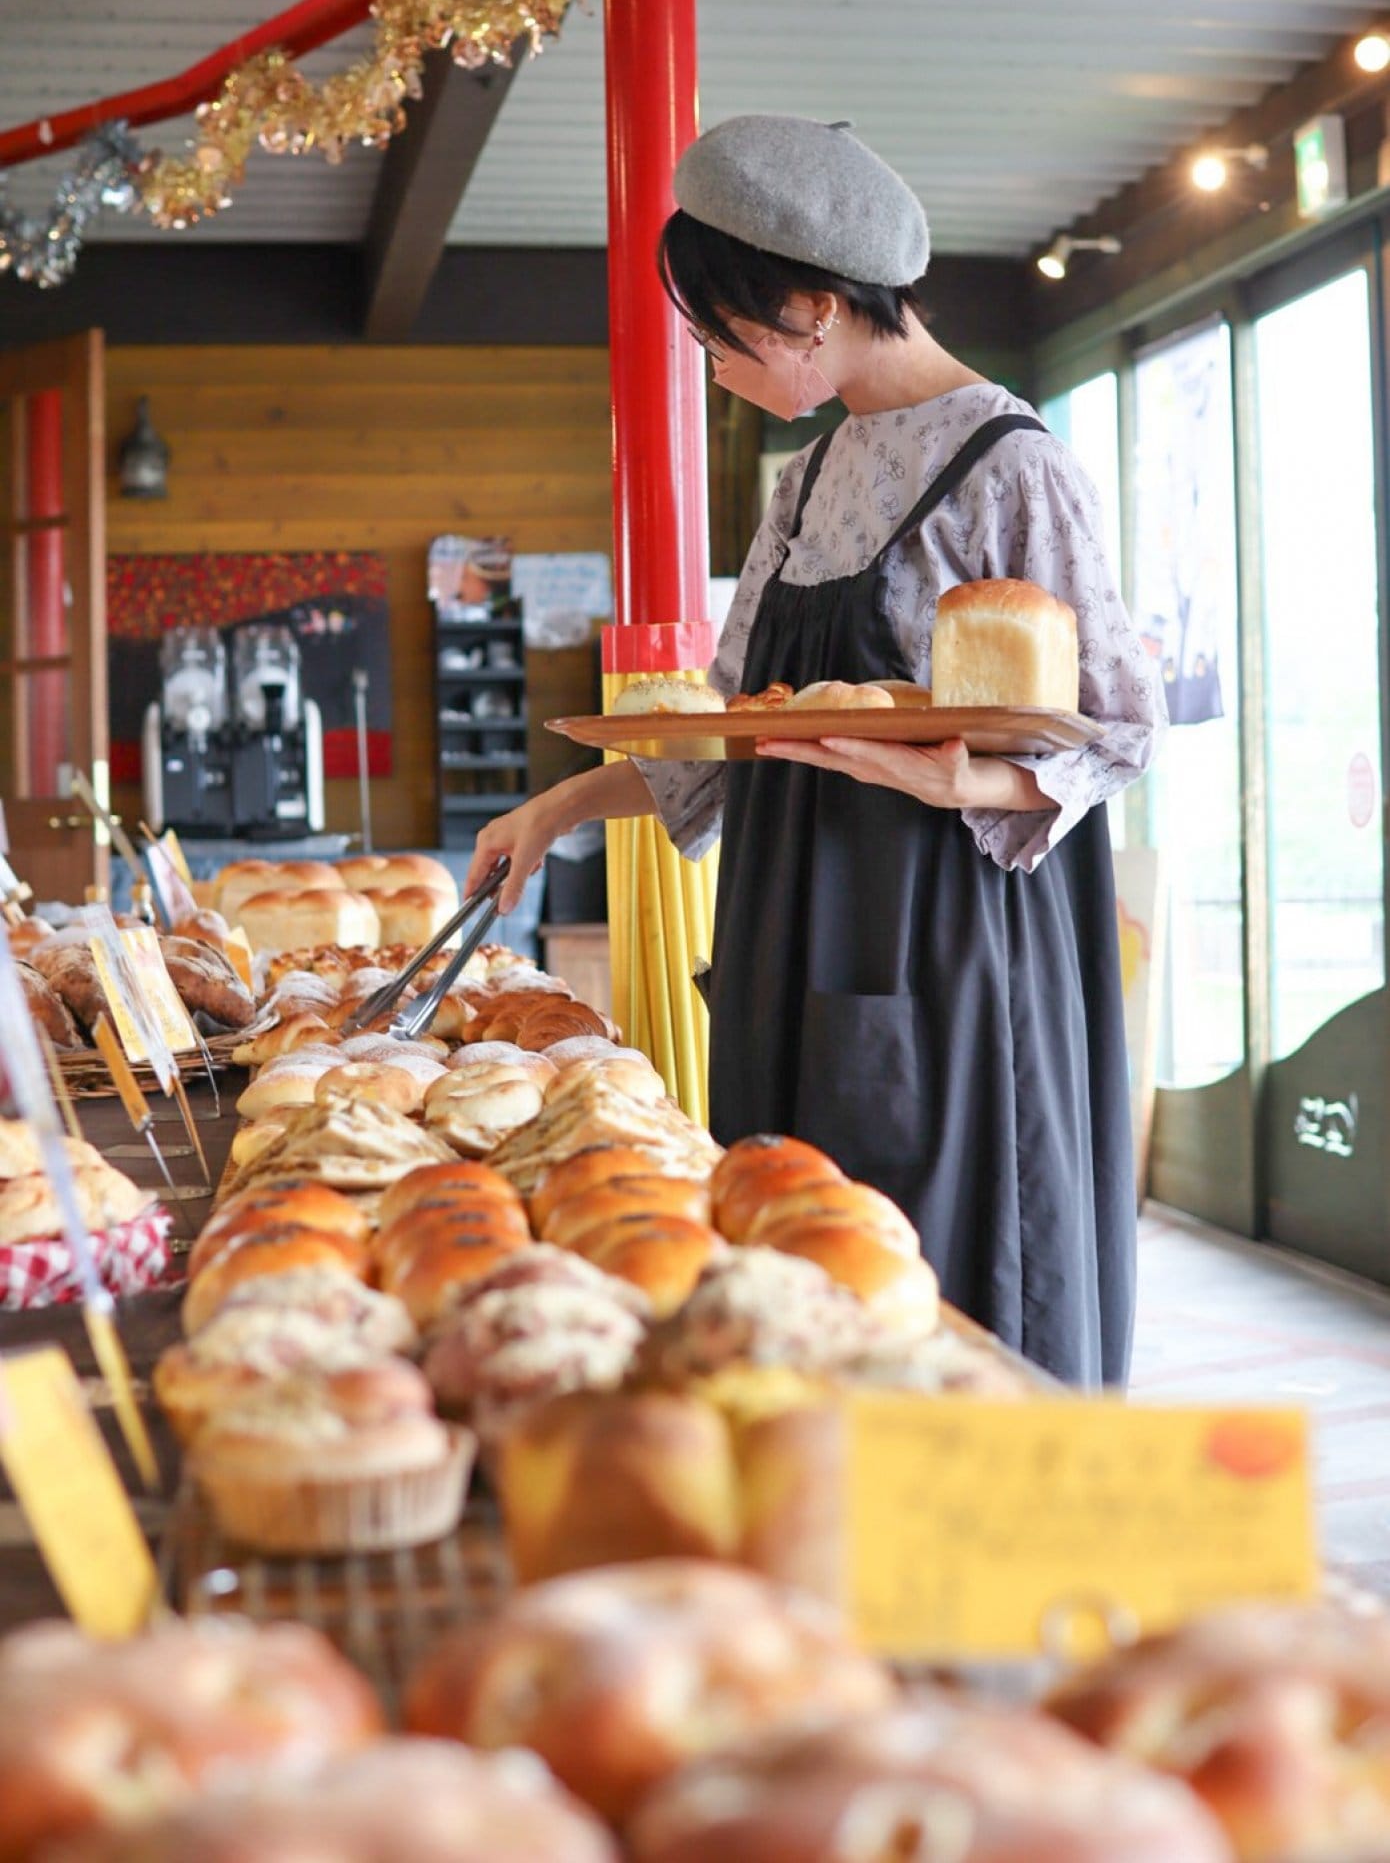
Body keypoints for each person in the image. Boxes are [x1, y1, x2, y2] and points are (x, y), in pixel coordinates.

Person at [466, 114, 1164, 1387]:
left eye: (717, 336)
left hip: (944, 953)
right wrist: (557, 805)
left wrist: (971, 779)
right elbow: (735, 732)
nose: (708, 364)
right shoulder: (803, 477)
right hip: (793, 937)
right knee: (790, 1266)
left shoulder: (1012, 468)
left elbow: (1118, 722)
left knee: (930, 1283)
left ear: (808, 307)